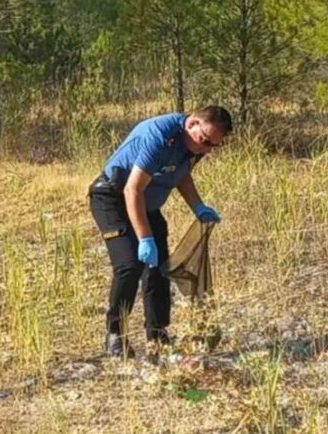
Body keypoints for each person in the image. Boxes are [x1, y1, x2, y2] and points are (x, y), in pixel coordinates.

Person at [88, 106, 233, 357]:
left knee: (158, 269)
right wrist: (145, 238)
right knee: (130, 264)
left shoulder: (194, 144)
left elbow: (180, 173)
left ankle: (157, 335)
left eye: (214, 146)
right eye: (206, 142)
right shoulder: (160, 136)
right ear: (192, 124)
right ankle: (115, 334)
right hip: (112, 197)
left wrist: (198, 206)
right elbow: (132, 190)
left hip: (146, 203)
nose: (208, 150)